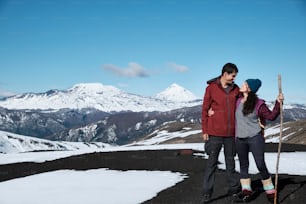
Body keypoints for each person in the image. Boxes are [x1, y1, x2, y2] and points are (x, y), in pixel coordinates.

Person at [234, 79, 284, 203]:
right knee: (243, 165)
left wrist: (278, 103)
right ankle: (246, 190)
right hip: (240, 139)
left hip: (255, 138)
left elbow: (271, 116)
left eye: (245, 84)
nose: (242, 84)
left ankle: (270, 190)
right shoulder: (237, 101)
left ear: (249, 89)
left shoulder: (258, 104)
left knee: (260, 164)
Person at [201, 62, 241, 203]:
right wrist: (205, 130)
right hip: (215, 132)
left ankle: (234, 190)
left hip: (231, 134)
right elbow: (205, 110)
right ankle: (207, 193)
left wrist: (278, 101)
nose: (234, 79)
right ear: (225, 74)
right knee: (211, 164)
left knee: (231, 163)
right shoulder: (211, 88)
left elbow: (248, 99)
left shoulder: (236, 89)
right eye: (232, 76)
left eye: (235, 76)